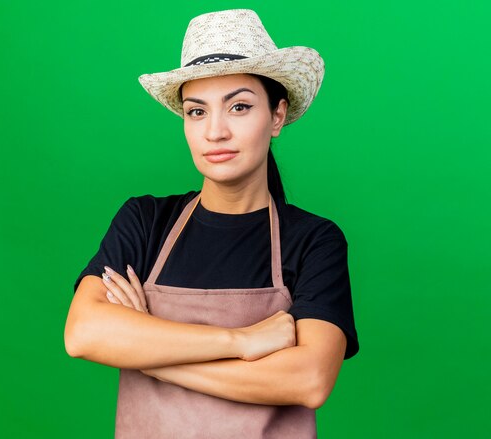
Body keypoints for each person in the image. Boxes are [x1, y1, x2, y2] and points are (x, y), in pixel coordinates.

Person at [64, 8, 359, 439]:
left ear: (276, 116)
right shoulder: (146, 222)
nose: (215, 131)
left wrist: (145, 352)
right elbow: (84, 333)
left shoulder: (314, 241)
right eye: (196, 112)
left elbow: (308, 380)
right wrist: (240, 343)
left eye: (239, 106)